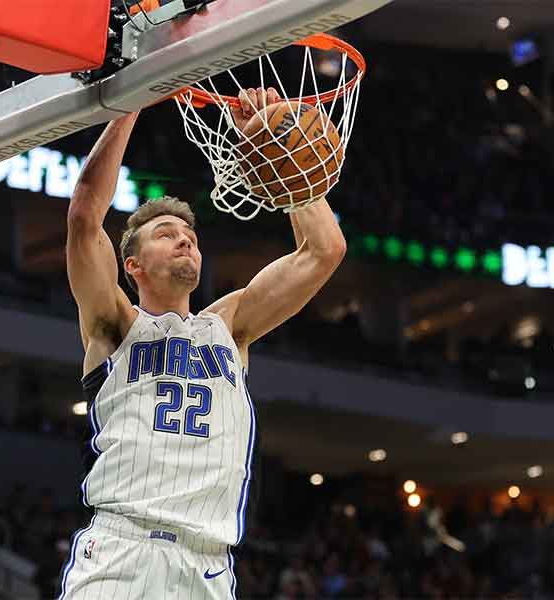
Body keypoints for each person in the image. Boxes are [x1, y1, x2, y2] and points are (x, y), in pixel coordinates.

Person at [59, 87, 347, 599]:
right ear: (134, 266)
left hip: (209, 565)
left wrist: (282, 150)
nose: (184, 239)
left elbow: (324, 250)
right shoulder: (115, 325)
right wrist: (134, 96)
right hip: (124, 551)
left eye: (188, 234)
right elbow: (84, 216)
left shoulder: (230, 324)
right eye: (167, 233)